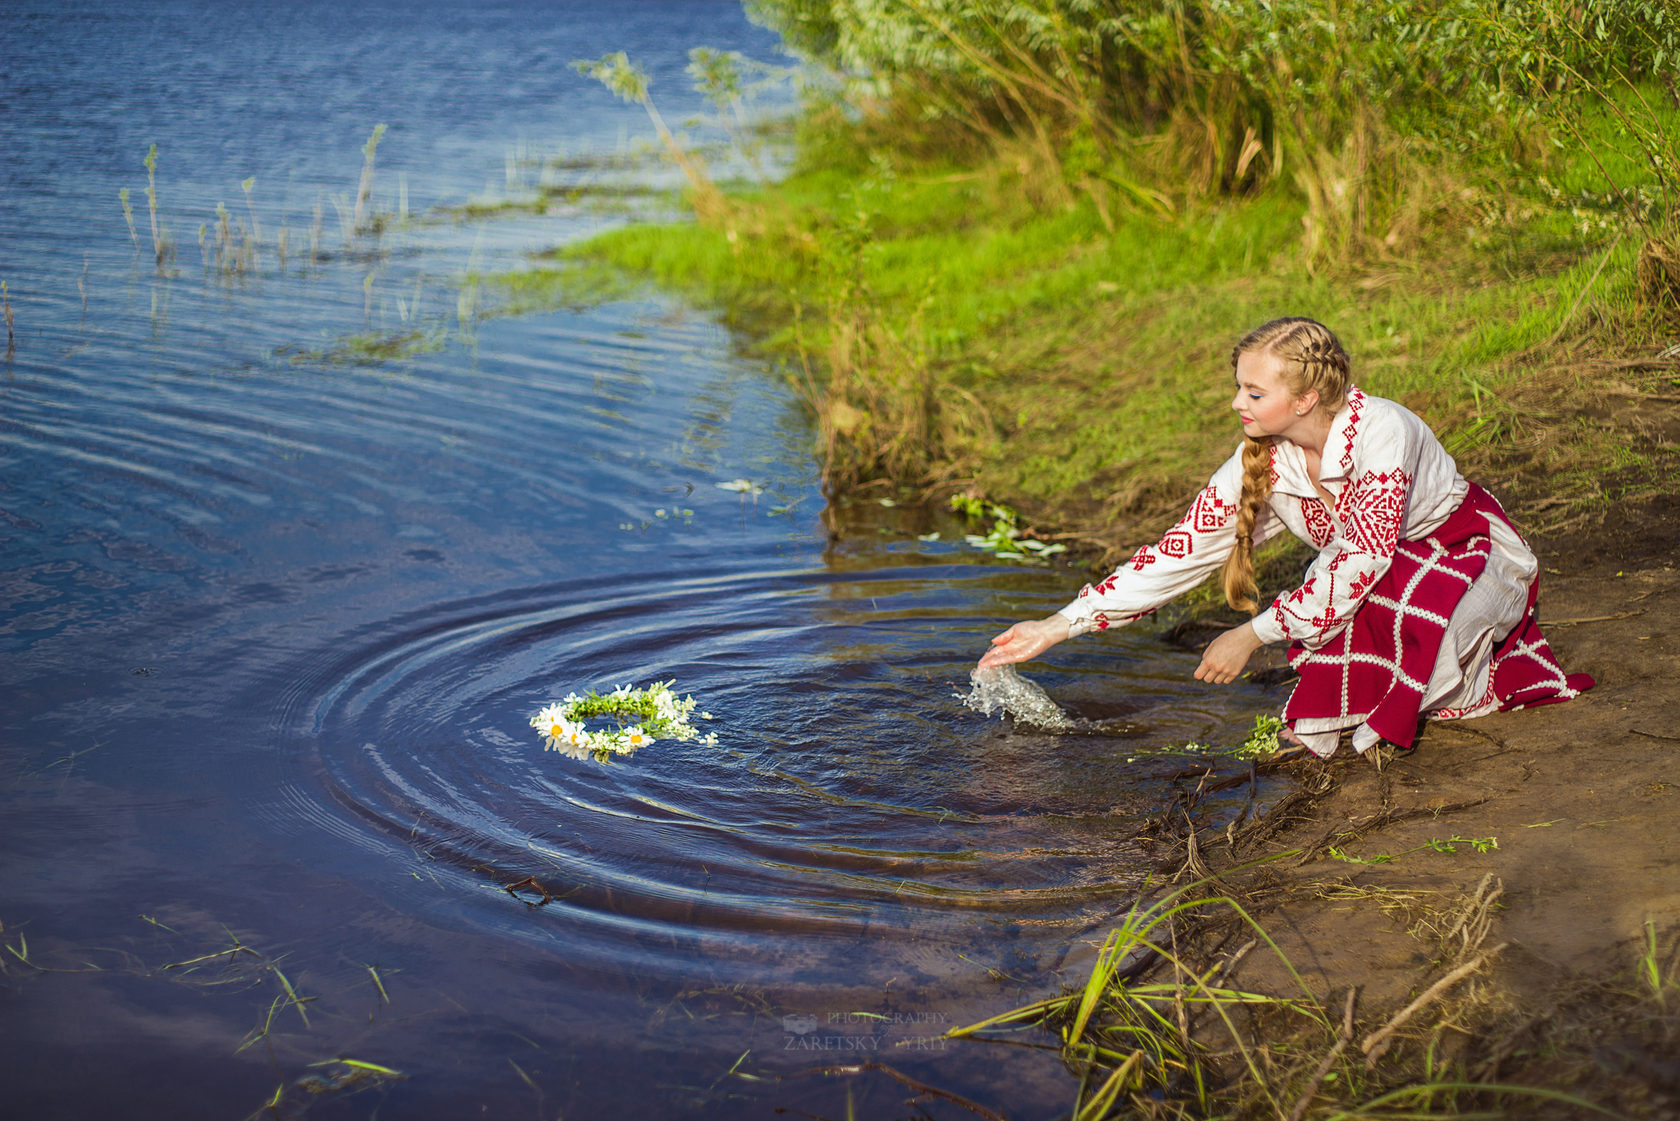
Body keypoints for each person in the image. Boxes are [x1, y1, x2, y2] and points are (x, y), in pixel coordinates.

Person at [977, 317, 1592, 756]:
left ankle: (1478, 656)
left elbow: (1364, 556)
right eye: (1238, 387)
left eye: (1253, 392)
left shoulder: (1385, 430)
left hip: (1464, 553)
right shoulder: (1262, 460)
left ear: (1306, 398)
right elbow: (1182, 551)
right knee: (1351, 677)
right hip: (1365, 579)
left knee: (1423, 669)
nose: (1235, 403)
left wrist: (1251, 633)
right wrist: (1058, 625)